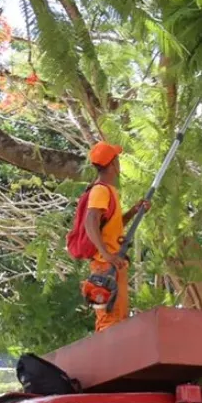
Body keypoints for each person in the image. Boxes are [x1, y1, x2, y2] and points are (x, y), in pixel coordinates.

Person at [84, 142, 150, 333]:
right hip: (105, 267)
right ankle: (105, 361)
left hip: (112, 264)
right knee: (109, 321)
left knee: (118, 319)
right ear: (113, 164)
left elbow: (111, 226)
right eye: (117, 159)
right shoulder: (100, 190)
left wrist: (134, 211)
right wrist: (107, 254)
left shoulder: (109, 191)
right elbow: (91, 222)